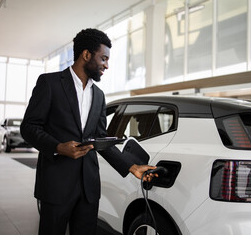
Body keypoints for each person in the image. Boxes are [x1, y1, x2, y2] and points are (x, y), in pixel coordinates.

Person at [20, 28, 156, 235]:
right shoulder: (50, 83)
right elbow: (28, 127)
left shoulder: (99, 95)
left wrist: (131, 167)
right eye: (103, 58)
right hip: (56, 184)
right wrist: (58, 147)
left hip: (88, 188)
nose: (107, 65)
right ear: (86, 55)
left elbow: (99, 138)